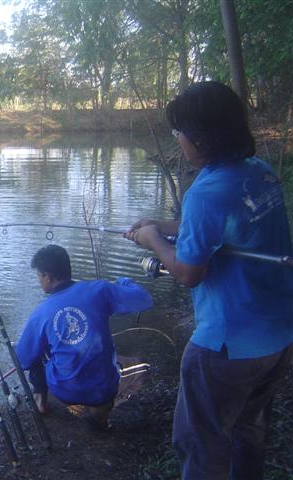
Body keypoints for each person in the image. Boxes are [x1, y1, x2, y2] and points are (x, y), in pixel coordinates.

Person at [125, 81, 293, 479]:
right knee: (248, 432)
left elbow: (187, 272)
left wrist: (152, 241)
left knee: (202, 445)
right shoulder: (258, 172)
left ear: (199, 139)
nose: (178, 140)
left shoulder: (206, 192)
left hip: (226, 347)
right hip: (278, 336)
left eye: (178, 133)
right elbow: (222, 229)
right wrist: (162, 225)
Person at [15, 244, 153, 430]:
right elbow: (144, 299)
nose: (39, 281)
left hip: (64, 391)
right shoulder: (100, 290)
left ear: (48, 277)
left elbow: (23, 360)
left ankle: (41, 401)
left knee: (37, 350)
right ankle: (101, 417)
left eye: (39, 276)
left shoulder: (40, 313)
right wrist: (123, 281)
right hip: (104, 390)